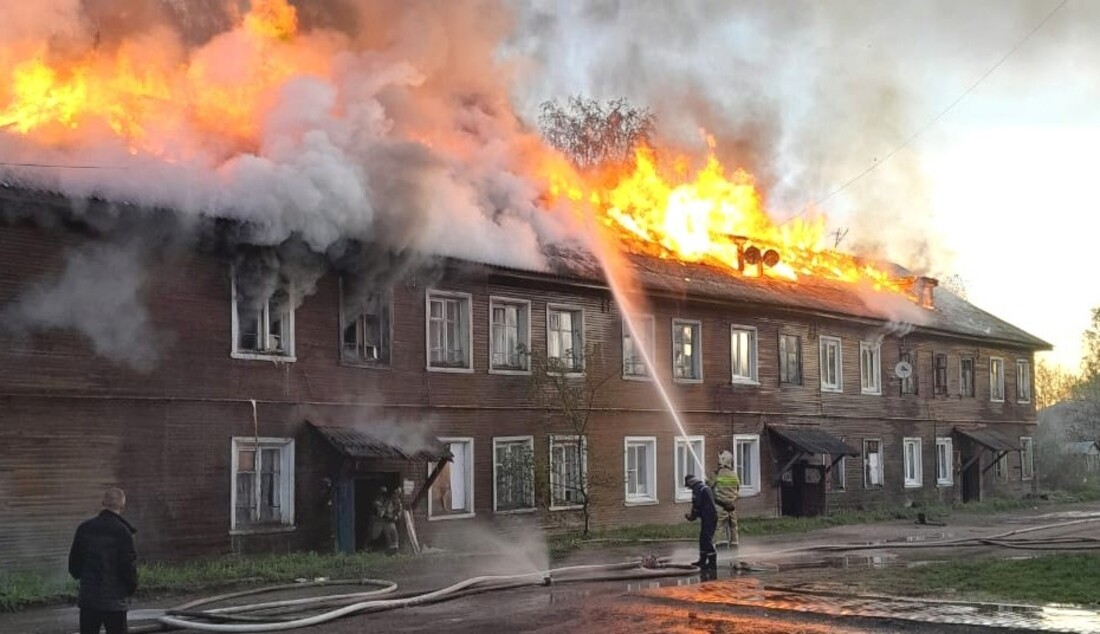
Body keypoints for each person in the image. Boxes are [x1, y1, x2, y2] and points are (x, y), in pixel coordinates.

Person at [68, 487, 138, 634]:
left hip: (89, 600)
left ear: (102, 503)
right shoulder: (123, 532)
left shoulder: (84, 528)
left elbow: (74, 567)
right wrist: (130, 589)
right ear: (122, 506)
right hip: (115, 601)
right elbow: (128, 567)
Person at [683, 474, 718, 578]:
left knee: (706, 539)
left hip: (709, 517)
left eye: (688, 486)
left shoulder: (697, 489)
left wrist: (691, 517)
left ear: (690, 482)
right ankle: (702, 561)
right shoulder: (704, 487)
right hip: (710, 517)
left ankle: (712, 564)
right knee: (703, 538)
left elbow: (696, 505)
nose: (689, 488)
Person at [711, 450, 741, 547]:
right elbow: (737, 488)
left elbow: (710, 486)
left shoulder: (718, 474)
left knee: (719, 526)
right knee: (733, 526)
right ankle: (734, 544)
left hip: (720, 506)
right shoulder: (734, 474)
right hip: (732, 506)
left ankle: (721, 544)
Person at [371, 486, 403, 555]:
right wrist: (381, 512)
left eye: (398, 493)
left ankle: (394, 551)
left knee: (393, 535)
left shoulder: (398, 501)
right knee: (376, 535)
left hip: (390, 520)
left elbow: (399, 510)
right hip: (381, 520)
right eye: (396, 493)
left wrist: (396, 516)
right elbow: (377, 508)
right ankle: (373, 549)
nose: (396, 495)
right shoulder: (385, 499)